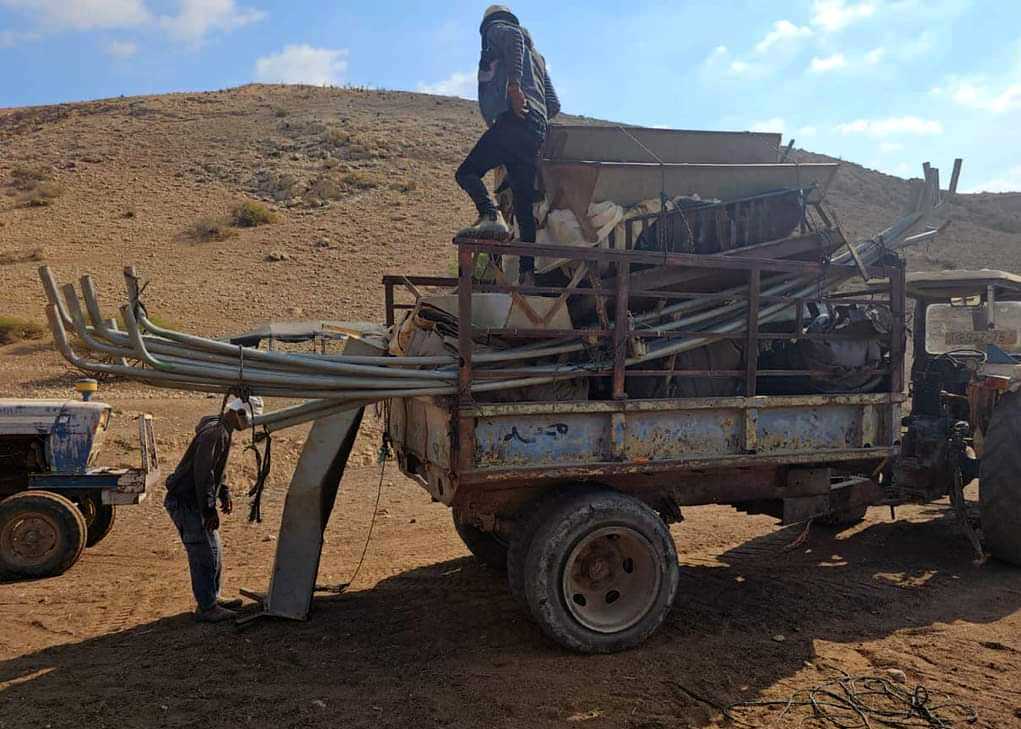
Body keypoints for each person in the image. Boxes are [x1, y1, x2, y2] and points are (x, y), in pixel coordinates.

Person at [455, 4, 560, 280]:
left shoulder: (498, 31)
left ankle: (490, 216)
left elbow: (512, 38)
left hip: (514, 122)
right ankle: (528, 273)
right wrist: (534, 116)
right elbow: (554, 104)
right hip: (534, 130)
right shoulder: (536, 57)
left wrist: (514, 89)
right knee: (523, 207)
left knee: (466, 172)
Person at [164, 396, 263, 623]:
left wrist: (224, 490)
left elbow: (215, 467)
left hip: (193, 500)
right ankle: (207, 607)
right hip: (188, 501)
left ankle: (212, 597)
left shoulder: (219, 427)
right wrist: (209, 510)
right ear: (239, 414)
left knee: (213, 551)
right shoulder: (217, 433)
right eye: (249, 419)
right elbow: (203, 474)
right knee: (203, 554)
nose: (248, 425)